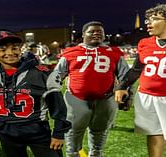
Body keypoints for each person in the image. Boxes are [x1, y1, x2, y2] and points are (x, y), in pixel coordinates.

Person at [53, 21, 130, 157]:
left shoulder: (114, 52)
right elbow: (57, 75)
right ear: (83, 35)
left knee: (99, 134)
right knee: (73, 133)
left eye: (100, 31)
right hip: (76, 98)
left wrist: (128, 96)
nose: (96, 33)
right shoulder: (71, 52)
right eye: (92, 31)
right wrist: (52, 95)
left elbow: (126, 76)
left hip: (105, 99)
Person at [0, 30, 71, 157]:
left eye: (14, 48)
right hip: (7, 132)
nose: (10, 53)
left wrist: (58, 134)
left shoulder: (42, 73)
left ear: (20, 49)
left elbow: (58, 106)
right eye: (3, 49)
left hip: (37, 131)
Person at [114, 4, 166, 157]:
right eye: (147, 20)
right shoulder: (145, 43)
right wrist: (122, 86)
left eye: (154, 19)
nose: (148, 23)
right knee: (154, 132)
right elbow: (136, 69)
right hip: (146, 96)